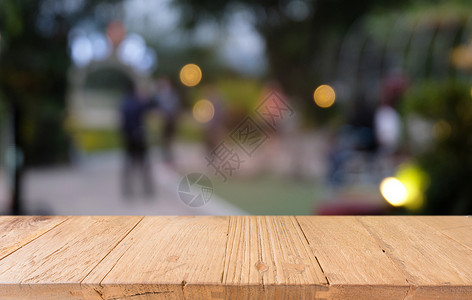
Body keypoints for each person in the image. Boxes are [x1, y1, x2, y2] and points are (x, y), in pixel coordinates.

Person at [120, 81, 155, 198]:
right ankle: (147, 188)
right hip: (139, 137)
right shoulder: (139, 103)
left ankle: (127, 189)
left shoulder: (123, 104)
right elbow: (152, 106)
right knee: (143, 164)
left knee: (129, 164)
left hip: (128, 138)